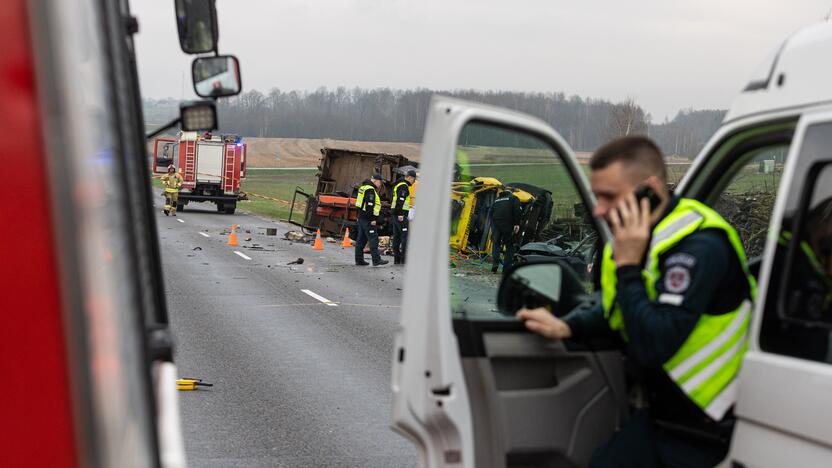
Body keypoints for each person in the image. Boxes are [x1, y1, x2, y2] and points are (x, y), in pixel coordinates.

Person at [517, 136, 755, 467]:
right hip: (662, 417)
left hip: (702, 431)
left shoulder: (699, 245)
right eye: (596, 197)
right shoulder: (635, 238)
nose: (598, 210)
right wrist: (569, 325)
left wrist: (629, 267)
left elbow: (654, 343)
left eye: (608, 197)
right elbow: (617, 307)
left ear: (650, 191)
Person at [354, 173, 389, 266]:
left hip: (361, 217)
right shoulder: (370, 190)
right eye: (380, 182)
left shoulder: (363, 187)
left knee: (361, 240)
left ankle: (359, 260)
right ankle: (376, 259)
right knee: (373, 239)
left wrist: (359, 217)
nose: (380, 185)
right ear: (376, 181)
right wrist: (372, 219)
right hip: (368, 218)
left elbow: (360, 205)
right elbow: (369, 205)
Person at [490, 188, 521, 273]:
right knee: (510, 246)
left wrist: (493, 225)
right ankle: (506, 269)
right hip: (508, 225)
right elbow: (517, 211)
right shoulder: (514, 199)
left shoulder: (497, 200)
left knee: (496, 244)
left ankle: (495, 265)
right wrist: (517, 224)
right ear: (512, 192)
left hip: (496, 225)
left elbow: (491, 212)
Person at [391, 170, 416, 264]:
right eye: (414, 179)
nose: (413, 182)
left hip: (395, 214)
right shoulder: (403, 186)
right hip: (400, 215)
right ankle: (403, 260)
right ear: (410, 177)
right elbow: (400, 201)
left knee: (397, 237)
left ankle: (397, 260)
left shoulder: (398, 184)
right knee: (404, 236)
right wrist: (401, 214)